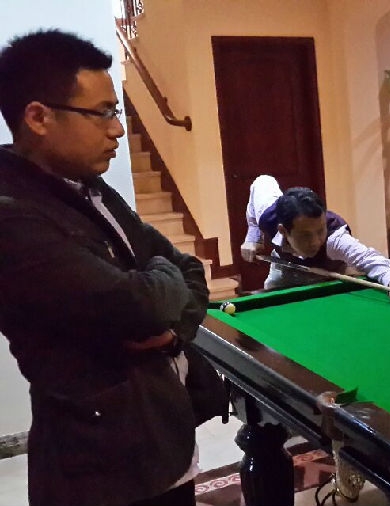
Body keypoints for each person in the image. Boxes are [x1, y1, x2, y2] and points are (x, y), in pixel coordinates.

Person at [0, 30, 223, 506]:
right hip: (101, 466)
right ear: (38, 117)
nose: (118, 129)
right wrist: (160, 293)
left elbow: (188, 268)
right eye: (102, 112)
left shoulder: (90, 187)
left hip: (160, 438)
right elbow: (141, 306)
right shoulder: (11, 215)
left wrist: (172, 332)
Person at [241, 175, 390, 308]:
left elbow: (372, 260)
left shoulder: (335, 238)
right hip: (284, 268)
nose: (316, 241)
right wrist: (253, 236)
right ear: (283, 230)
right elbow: (262, 181)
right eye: (305, 235)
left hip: (328, 276)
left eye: (320, 230)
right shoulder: (268, 215)